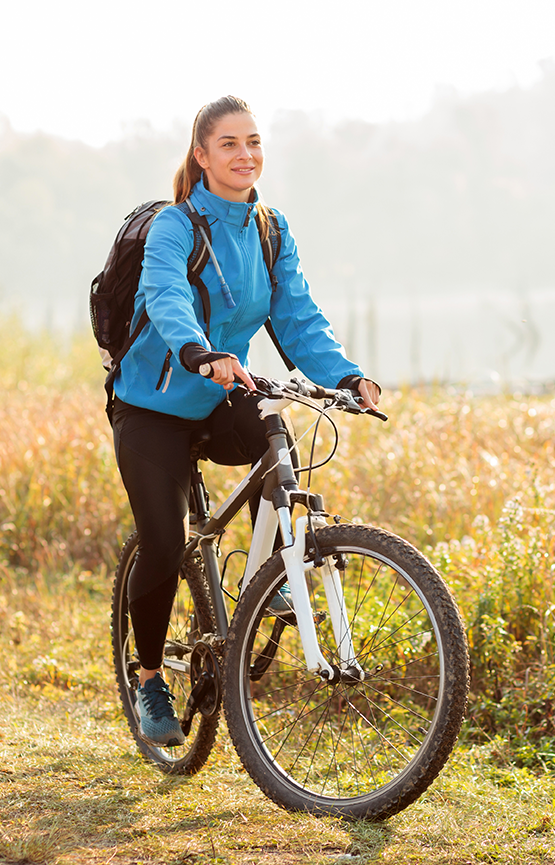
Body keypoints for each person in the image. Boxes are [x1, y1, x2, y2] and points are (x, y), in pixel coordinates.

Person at [110, 95, 380, 747]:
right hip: (154, 404)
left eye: (254, 142)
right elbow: (166, 297)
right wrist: (198, 351)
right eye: (229, 143)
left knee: (277, 431)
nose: (245, 155)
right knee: (165, 541)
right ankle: (149, 676)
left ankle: (271, 578)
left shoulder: (270, 228)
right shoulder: (177, 226)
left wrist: (345, 375)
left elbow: (297, 316)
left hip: (224, 392)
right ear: (201, 155)